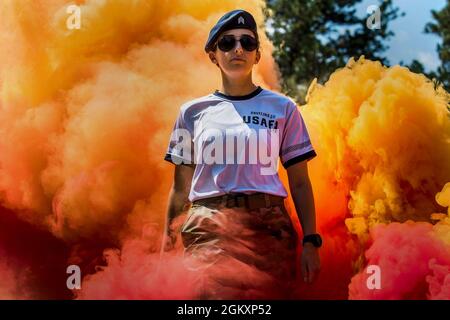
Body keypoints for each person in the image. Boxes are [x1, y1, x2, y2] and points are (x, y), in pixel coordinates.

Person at [162, 9, 321, 299]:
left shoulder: (284, 109)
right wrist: (168, 240)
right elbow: (180, 186)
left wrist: (311, 241)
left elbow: (299, 182)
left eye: (248, 43)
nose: (238, 49)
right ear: (213, 55)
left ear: (257, 55)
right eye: (227, 43)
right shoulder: (191, 112)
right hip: (209, 226)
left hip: (269, 227)